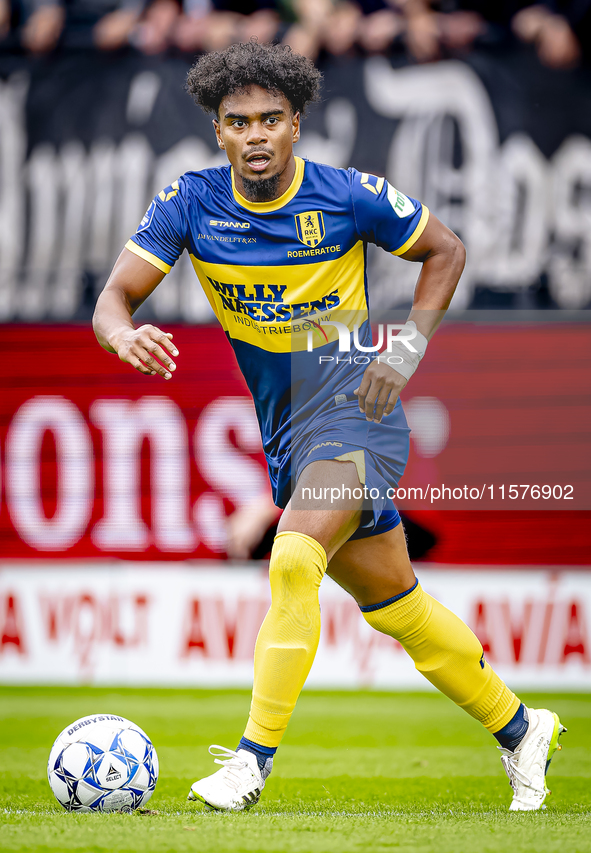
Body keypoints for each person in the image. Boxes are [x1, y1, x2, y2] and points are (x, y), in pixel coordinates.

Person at [92, 40, 565, 814]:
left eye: (269, 119)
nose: (254, 136)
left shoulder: (347, 195)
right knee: (396, 605)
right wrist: (121, 333)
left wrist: (405, 350)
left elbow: (445, 250)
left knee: (289, 562)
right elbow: (114, 299)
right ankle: (520, 727)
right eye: (236, 121)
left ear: (296, 123)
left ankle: (251, 759)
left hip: (354, 406)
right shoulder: (188, 201)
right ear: (217, 129)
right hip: (288, 427)